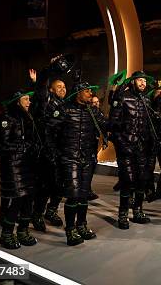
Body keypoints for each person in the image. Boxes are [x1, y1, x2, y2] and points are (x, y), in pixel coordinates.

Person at [49, 82, 108, 246]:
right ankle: (70, 230)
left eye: (91, 91)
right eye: (87, 91)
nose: (90, 93)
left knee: (83, 195)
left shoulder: (93, 111)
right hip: (69, 159)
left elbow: (108, 125)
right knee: (73, 196)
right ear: (78, 93)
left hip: (87, 159)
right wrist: (56, 155)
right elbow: (50, 133)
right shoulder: (63, 109)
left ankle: (81, 225)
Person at [109, 71, 155, 229]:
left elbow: (148, 124)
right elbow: (113, 124)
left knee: (142, 180)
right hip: (126, 147)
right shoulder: (122, 97)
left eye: (144, 80)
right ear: (133, 82)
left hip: (142, 147)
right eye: (140, 80)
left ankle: (138, 211)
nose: (143, 83)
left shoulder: (146, 99)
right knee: (127, 181)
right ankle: (123, 214)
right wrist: (122, 143)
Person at [0, 91, 39, 249]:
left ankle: (23, 231)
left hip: (27, 163)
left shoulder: (26, 117)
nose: (29, 102)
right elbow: (4, 144)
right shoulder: (6, 118)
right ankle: (6, 235)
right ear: (16, 102)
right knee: (18, 199)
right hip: (12, 165)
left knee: (29, 198)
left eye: (29, 99)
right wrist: (26, 147)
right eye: (25, 99)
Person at [29, 59, 68, 231]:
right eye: (59, 86)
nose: (63, 89)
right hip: (45, 151)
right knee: (44, 187)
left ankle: (51, 211)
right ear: (50, 89)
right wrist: (49, 69)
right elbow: (41, 85)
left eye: (65, 87)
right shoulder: (46, 100)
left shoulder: (65, 105)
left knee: (60, 185)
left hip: (61, 152)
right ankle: (36, 215)